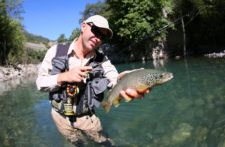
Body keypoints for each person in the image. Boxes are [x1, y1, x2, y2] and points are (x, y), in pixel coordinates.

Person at [36, 15, 147, 146]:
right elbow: (40, 84)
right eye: (96, 31)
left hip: (87, 117)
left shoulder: (102, 60)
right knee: (77, 144)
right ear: (83, 26)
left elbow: (113, 78)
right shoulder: (55, 51)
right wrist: (63, 77)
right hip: (60, 117)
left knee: (106, 143)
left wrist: (123, 81)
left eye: (102, 36)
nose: (98, 38)